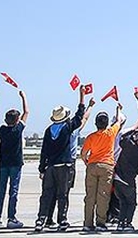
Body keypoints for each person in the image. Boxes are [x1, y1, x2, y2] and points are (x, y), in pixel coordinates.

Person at [35, 86, 89, 232]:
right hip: (64, 165)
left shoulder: (48, 130)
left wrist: (42, 168)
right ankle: (62, 220)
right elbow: (79, 116)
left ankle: (41, 219)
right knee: (62, 194)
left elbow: (44, 151)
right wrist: (82, 97)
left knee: (46, 194)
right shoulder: (67, 127)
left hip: (50, 166)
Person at [80, 102, 125, 232]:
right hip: (107, 166)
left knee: (90, 196)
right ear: (106, 124)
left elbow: (83, 153)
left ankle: (88, 223)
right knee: (103, 195)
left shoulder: (91, 137)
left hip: (93, 164)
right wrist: (118, 109)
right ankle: (100, 222)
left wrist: (87, 162)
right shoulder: (111, 132)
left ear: (96, 123)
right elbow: (118, 120)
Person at [0, 90, 28, 230]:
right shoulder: (18, 129)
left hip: (3, 164)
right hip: (16, 163)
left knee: (0, 191)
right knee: (13, 190)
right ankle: (11, 217)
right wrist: (23, 97)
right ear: (17, 120)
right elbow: (26, 112)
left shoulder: (2, 130)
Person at [113, 127, 138, 232]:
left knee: (123, 202)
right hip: (128, 179)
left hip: (117, 178)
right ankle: (127, 223)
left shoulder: (122, 146)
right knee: (131, 203)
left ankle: (121, 222)